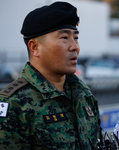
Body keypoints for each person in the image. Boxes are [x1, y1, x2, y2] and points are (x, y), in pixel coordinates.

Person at [0, 1, 101, 150]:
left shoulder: (83, 95)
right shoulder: (14, 103)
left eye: (76, 38)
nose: (75, 47)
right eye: (64, 38)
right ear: (35, 48)